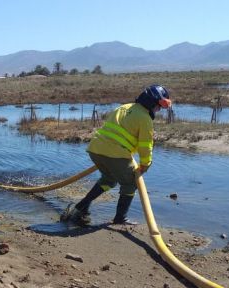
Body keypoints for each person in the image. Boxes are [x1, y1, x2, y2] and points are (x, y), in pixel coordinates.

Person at [61, 85, 172, 226]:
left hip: (95, 150)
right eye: (159, 106)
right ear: (151, 102)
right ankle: (120, 218)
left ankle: (80, 208)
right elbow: (145, 145)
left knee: (109, 179)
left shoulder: (124, 107)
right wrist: (145, 164)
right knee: (131, 182)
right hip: (116, 155)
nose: (159, 110)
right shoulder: (145, 118)